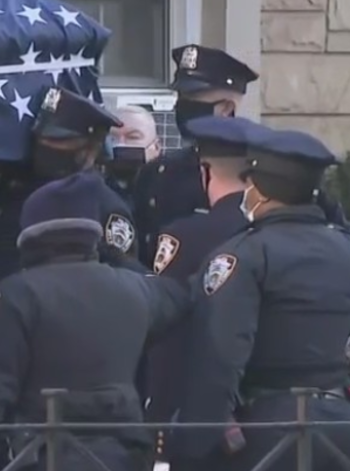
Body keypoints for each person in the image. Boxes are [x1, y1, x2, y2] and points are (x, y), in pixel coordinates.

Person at [0, 172, 192, 471]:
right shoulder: (134, 288)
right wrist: (114, 257)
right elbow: (179, 297)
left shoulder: (18, 294)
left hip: (41, 456)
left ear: (29, 234)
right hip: (120, 458)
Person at [168, 128, 350, 471]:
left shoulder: (246, 255)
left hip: (271, 428)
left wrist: (195, 444)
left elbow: (221, 354)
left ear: (259, 189)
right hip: (343, 423)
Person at [0, 86, 141, 403]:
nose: (46, 149)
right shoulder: (13, 189)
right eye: (42, 139)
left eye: (58, 142)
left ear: (89, 150)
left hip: (48, 365)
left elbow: (119, 292)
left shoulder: (105, 208)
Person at [142, 115, 262, 458]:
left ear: (205, 171)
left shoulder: (187, 236)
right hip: (273, 415)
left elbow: (167, 331)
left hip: (202, 415)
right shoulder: (279, 234)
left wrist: (159, 418)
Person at [132, 44, 259, 265]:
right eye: (180, 96)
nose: (181, 106)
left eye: (193, 97)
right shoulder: (158, 172)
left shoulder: (263, 171)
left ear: (227, 108)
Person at [105, 104, 161, 208]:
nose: (121, 144)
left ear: (156, 147)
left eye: (133, 137)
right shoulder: (92, 193)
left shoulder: (171, 192)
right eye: (113, 137)